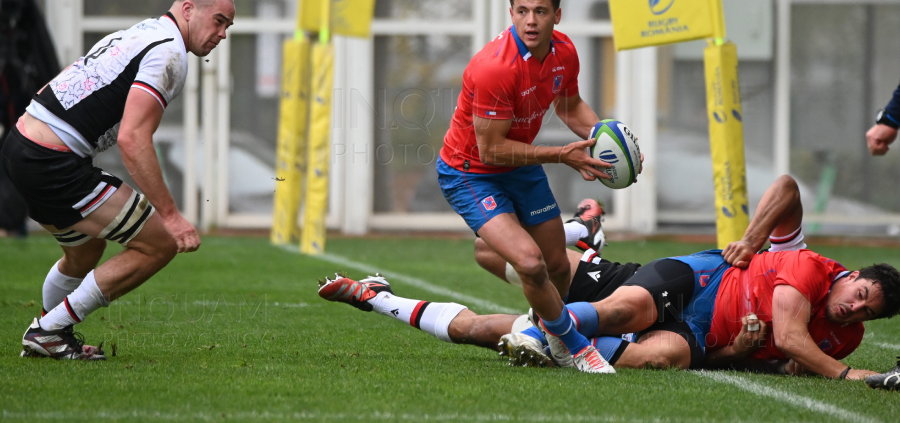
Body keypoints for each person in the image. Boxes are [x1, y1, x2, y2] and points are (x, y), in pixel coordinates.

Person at [319, 176, 900, 383]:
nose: (855, 309)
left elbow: (781, 358)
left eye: (866, 312)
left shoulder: (838, 334)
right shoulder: (806, 267)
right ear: (851, 275)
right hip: (688, 282)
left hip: (695, 333)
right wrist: (750, 240)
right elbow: (787, 188)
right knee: (486, 248)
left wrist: (741, 352)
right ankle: (578, 238)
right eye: (861, 294)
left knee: (656, 357)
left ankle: (377, 297)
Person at [1, 0, 234, 360]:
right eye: (219, 21)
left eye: (228, 26)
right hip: (49, 157)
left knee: (86, 251)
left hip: (21, 145)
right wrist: (172, 216)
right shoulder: (168, 52)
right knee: (158, 244)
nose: (222, 34)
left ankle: (50, 332)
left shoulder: (144, 31)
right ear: (188, 9)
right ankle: (48, 330)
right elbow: (133, 139)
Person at [435, 0, 619, 373]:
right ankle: (576, 346)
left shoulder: (564, 51)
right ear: (511, 14)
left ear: (557, 15)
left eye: (540, 11)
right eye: (522, 11)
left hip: (520, 165)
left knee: (556, 265)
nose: (531, 20)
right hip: (471, 171)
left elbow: (570, 106)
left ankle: (548, 335)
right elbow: (492, 149)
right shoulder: (494, 68)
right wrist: (560, 155)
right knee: (530, 264)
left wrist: (607, 145)